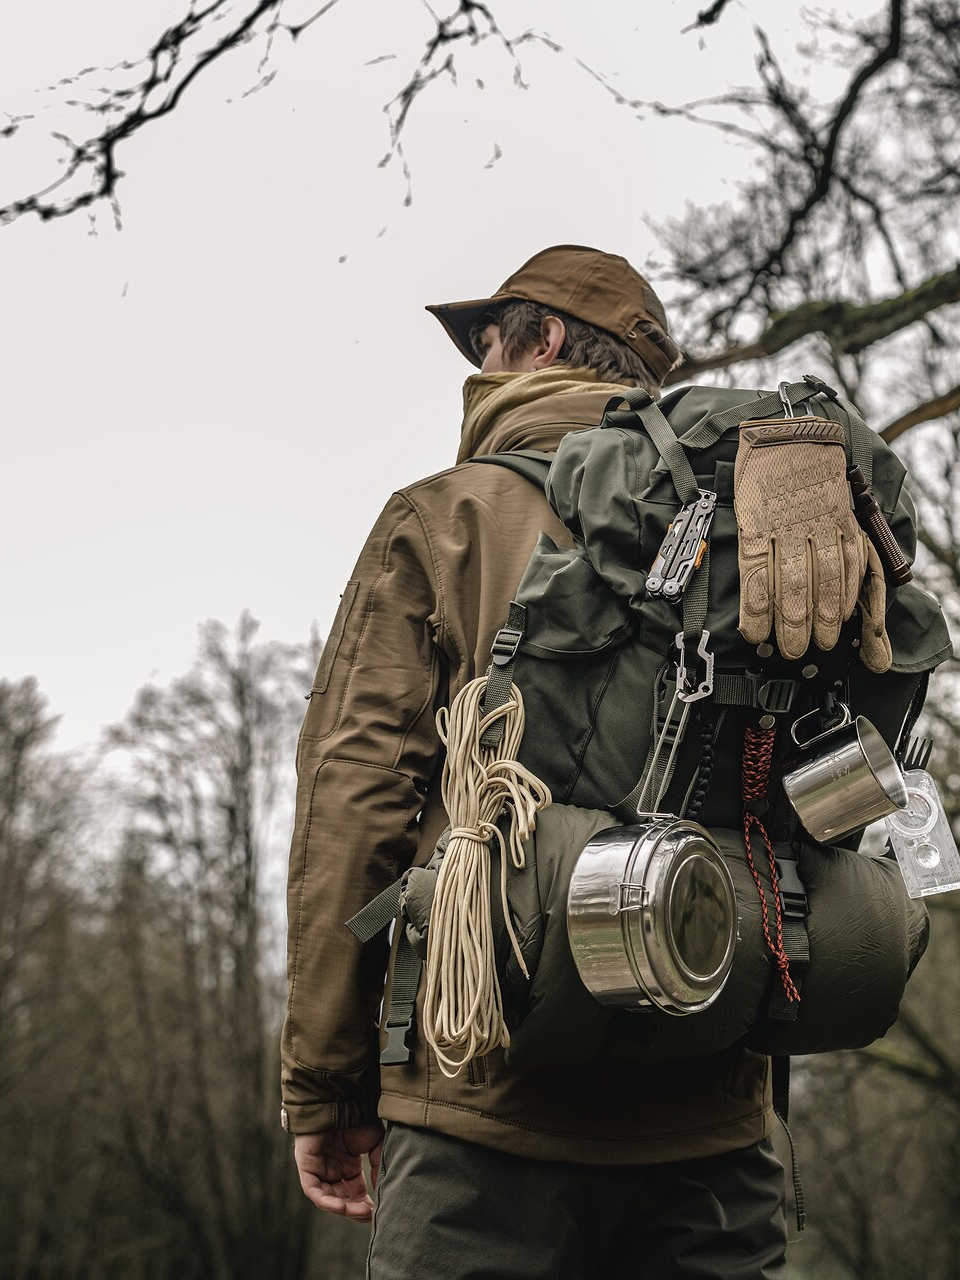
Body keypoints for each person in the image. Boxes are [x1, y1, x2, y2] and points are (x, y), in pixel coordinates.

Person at [283, 246, 788, 1278]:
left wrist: (327, 1084)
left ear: (544, 340)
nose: (477, 365)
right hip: (712, 1118)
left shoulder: (445, 515)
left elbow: (355, 805)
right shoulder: (751, 525)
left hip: (479, 1111)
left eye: (488, 340)